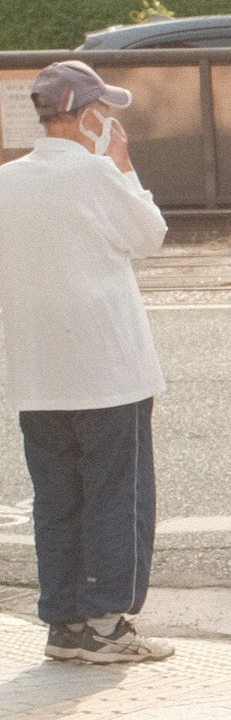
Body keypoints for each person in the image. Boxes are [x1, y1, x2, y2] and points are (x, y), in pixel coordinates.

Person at [0, 58, 170, 666]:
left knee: (57, 498)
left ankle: (65, 623)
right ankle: (108, 625)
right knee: (115, 495)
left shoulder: (7, 182)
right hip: (107, 369)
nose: (107, 122)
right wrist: (125, 166)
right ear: (85, 115)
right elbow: (149, 236)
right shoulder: (97, 174)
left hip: (38, 374)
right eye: (102, 111)